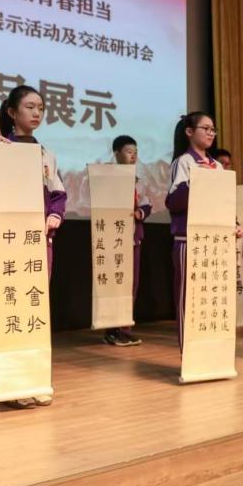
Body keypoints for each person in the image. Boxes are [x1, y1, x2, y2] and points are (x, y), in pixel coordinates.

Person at [0, 85, 66, 409]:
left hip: (40, 242)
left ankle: (35, 378)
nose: (36, 113)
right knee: (12, 308)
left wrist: (54, 214)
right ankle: (11, 384)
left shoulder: (45, 154)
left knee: (37, 308)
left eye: (40, 107)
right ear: (12, 112)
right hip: (10, 243)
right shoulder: (1, 149)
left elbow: (58, 194)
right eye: (29, 107)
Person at [166, 112, 234, 350]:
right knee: (190, 298)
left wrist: (234, 224)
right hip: (189, 240)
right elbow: (173, 201)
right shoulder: (184, 162)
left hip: (216, 241)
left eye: (213, 129)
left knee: (213, 297)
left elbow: (224, 202)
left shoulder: (217, 166)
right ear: (189, 132)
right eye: (206, 128)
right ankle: (190, 353)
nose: (211, 133)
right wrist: (198, 180)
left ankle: (211, 352)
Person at [102, 135, 151, 347]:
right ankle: (111, 330)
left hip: (133, 237)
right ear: (116, 154)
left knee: (131, 285)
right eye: (129, 152)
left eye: (136, 152)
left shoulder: (138, 180)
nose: (133, 156)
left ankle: (124, 328)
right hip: (112, 238)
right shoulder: (106, 176)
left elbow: (146, 203)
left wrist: (140, 212)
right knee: (114, 285)